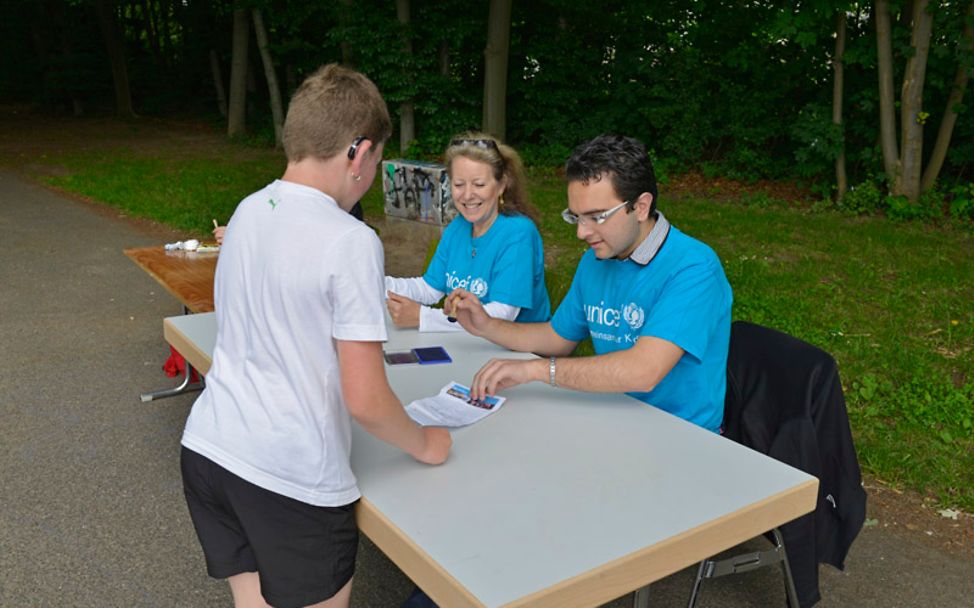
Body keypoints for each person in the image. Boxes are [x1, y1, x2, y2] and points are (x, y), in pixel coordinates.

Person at [179, 64, 451, 608]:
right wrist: (427, 442)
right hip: (288, 474)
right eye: (375, 162)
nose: (371, 176)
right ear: (359, 152)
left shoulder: (249, 210)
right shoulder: (349, 240)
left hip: (210, 447)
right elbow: (367, 401)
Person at [448, 134, 732, 433]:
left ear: (640, 206)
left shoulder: (693, 268)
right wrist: (487, 325)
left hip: (682, 438)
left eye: (597, 217)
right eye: (576, 217)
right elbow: (557, 337)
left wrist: (537, 369)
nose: (582, 233)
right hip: (612, 417)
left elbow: (643, 371)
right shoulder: (597, 259)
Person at [385, 133, 550, 332]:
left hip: (519, 352)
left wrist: (424, 317)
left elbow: (502, 314)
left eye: (479, 184)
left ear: (501, 186)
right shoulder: (458, 226)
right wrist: (375, 282)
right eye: (459, 184)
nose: (468, 195)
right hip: (471, 343)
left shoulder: (518, 233)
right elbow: (429, 289)